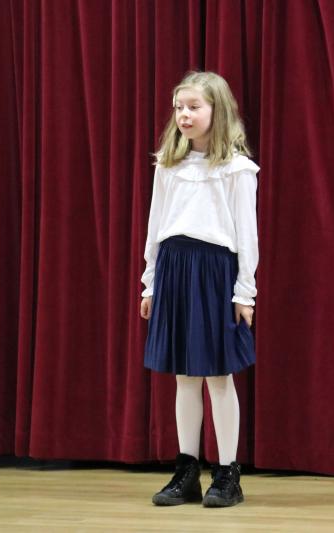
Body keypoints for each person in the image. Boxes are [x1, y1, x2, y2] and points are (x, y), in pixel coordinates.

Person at [139, 71, 258, 508]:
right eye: (179, 108)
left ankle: (227, 475)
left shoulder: (237, 170)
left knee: (218, 376)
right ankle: (186, 471)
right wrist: (151, 282)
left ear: (217, 111)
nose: (184, 115)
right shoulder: (168, 166)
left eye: (194, 107)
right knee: (184, 378)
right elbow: (156, 227)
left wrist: (244, 292)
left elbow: (247, 235)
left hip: (214, 273)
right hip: (174, 269)